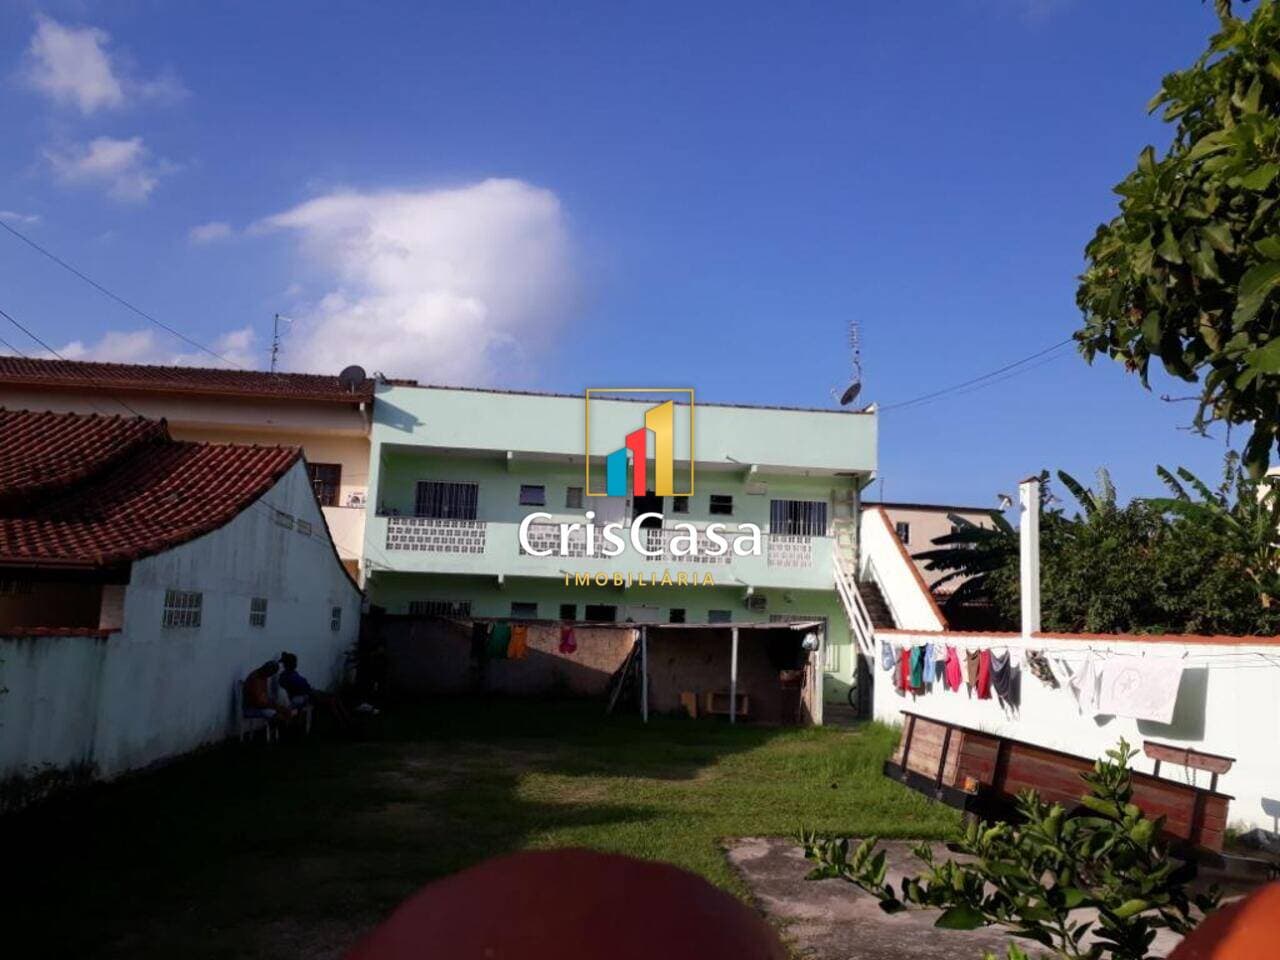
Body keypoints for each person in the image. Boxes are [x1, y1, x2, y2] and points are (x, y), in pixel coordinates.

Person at [279, 651, 349, 726]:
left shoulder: (290, 674)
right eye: (294, 663)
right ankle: (341, 722)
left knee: (334, 697)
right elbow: (300, 688)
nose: (296, 664)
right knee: (331, 700)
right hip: (304, 696)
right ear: (290, 664)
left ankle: (346, 719)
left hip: (307, 693)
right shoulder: (288, 676)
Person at [242, 660, 294, 726]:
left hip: (259, 705)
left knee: (284, 711)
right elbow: (259, 702)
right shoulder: (255, 679)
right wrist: (276, 707)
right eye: (270, 674)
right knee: (278, 716)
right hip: (251, 708)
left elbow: (264, 698)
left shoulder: (263, 677)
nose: (269, 676)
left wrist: (277, 706)